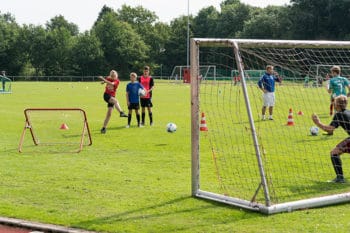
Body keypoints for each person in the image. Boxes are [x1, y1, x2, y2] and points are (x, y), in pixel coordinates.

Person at [312, 95, 350, 183]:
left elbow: (329, 129)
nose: (333, 104)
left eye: (335, 102)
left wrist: (318, 123)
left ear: (337, 105)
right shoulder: (348, 112)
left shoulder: (339, 115)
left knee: (334, 153)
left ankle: (340, 178)